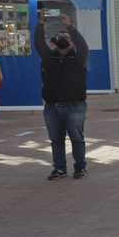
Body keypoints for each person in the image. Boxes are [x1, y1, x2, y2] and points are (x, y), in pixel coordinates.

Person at [35, 21, 89, 181]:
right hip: (52, 107)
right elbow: (39, 43)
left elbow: (83, 45)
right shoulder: (49, 57)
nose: (63, 39)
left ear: (72, 42)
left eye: (67, 37)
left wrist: (70, 26)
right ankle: (59, 168)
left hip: (74, 106)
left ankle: (80, 167)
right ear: (55, 42)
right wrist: (40, 24)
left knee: (77, 139)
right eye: (60, 37)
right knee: (56, 140)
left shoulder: (79, 58)